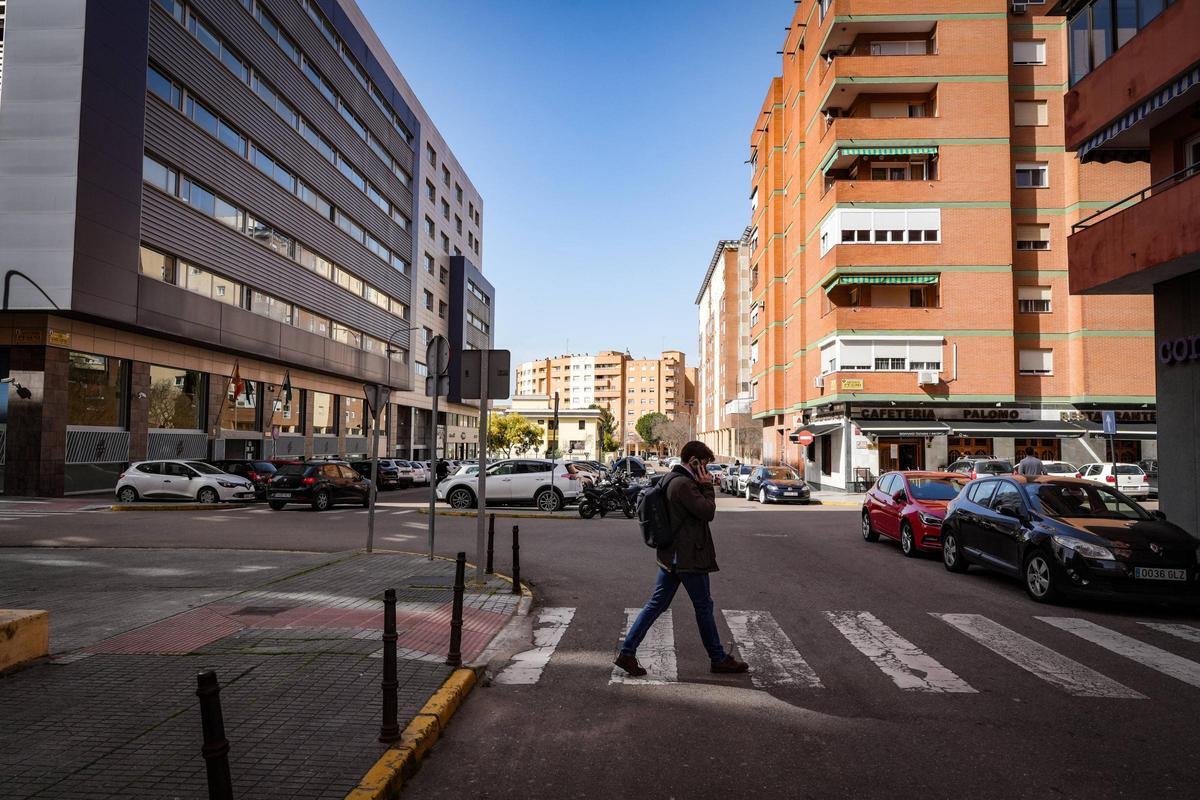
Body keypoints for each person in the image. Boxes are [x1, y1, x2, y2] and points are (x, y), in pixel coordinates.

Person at [614, 440, 749, 677]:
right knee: (703, 607)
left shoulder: (671, 479)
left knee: (657, 604)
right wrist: (707, 487)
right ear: (694, 461)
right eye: (704, 463)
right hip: (688, 558)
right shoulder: (685, 485)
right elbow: (707, 512)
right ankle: (717, 658)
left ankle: (627, 652)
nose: (706, 469)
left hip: (672, 556)